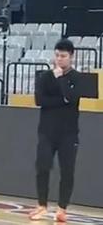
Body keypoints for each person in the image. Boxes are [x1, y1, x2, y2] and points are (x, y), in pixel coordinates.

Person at [29, 38, 82, 223]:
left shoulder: (76, 78)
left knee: (67, 171)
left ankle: (62, 208)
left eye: (63, 56)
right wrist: (61, 101)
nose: (59, 59)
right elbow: (39, 100)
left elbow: (71, 98)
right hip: (47, 131)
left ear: (71, 57)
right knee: (42, 167)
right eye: (57, 55)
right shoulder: (45, 76)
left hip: (69, 133)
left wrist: (60, 80)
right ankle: (41, 205)